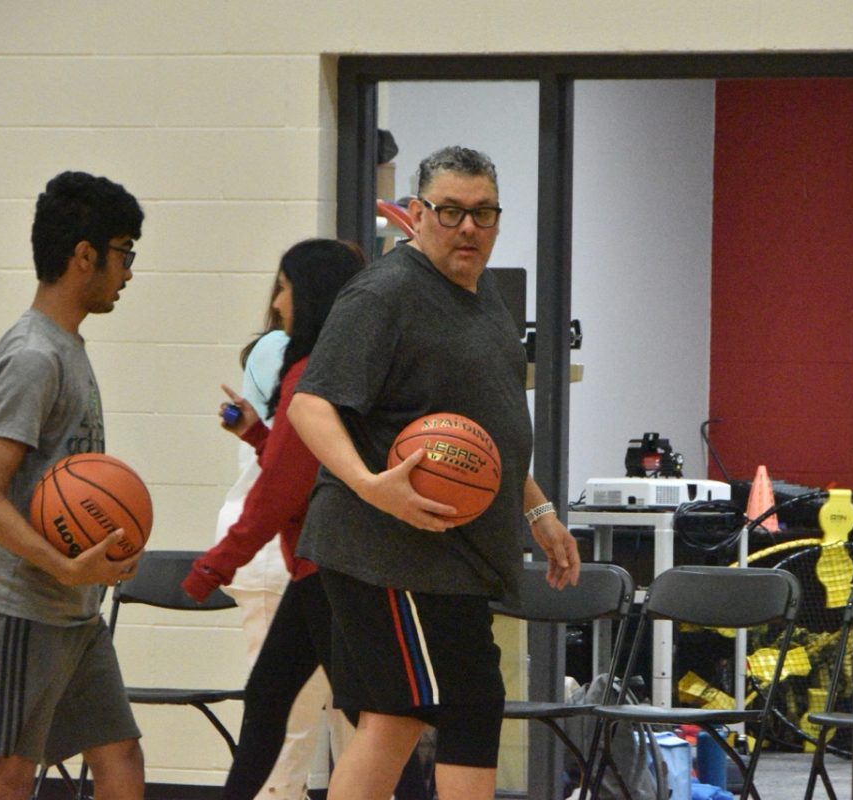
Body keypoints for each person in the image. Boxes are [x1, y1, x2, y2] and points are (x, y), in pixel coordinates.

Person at [287, 145, 582, 800]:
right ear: (418, 214)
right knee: (460, 703)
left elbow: (483, 432)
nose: (468, 227)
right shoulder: (384, 294)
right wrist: (370, 486)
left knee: (402, 716)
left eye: (482, 212)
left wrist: (536, 510)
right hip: (391, 547)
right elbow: (311, 404)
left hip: (448, 549)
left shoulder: (481, 295)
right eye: (450, 211)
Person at [0, 171, 146, 800]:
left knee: (120, 757)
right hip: (23, 604)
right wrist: (65, 565)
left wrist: (104, 552)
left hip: (72, 608)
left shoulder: (67, 346)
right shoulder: (34, 355)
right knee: (2, 782)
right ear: (84, 255)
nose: (129, 272)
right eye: (125, 254)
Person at [182, 239, 365, 800]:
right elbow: (304, 466)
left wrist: (212, 567)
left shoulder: (310, 373)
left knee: (366, 720)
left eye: (283, 288)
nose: (277, 304)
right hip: (327, 569)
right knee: (275, 701)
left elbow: (280, 491)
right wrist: (255, 435)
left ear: (308, 296)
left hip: (330, 570)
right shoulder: (341, 366)